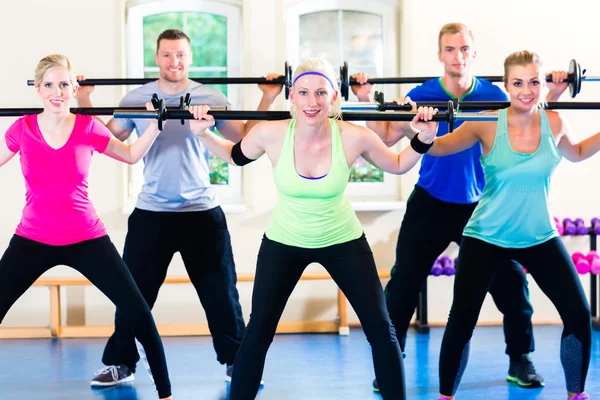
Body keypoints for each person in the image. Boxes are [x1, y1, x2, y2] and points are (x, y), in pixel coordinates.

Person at [185, 57, 439, 400]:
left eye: (321, 92)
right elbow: (234, 156)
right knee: (258, 331)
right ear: (292, 96)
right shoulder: (270, 133)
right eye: (304, 92)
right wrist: (203, 134)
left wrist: (423, 139)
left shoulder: (353, 136)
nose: (312, 101)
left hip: (341, 238)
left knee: (382, 329)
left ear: (333, 97)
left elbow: (396, 164)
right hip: (285, 240)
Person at [351, 22, 568, 391]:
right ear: (440, 56)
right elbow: (387, 134)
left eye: (464, 49)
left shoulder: (497, 94)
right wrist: (366, 98)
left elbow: (533, 120)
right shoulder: (422, 93)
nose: (458, 56)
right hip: (431, 201)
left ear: (474, 54)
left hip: (484, 206)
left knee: (512, 284)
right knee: (403, 282)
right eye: (450, 49)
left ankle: (521, 358)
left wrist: (556, 91)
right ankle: (390, 358)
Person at [75, 29, 283, 387]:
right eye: (167, 55)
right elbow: (103, 140)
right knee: (133, 292)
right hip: (151, 213)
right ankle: (121, 363)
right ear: (157, 58)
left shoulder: (209, 97)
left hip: (201, 212)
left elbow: (244, 137)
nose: (175, 62)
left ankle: (238, 361)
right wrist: (83, 98)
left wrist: (267, 98)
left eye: (181, 55)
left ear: (190, 58)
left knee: (221, 294)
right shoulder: (136, 97)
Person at [415, 49, 594, 400]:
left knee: (578, 313)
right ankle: (445, 396)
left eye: (533, 82)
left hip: (538, 234)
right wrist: (422, 132)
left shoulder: (554, 123)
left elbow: (578, 152)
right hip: (486, 235)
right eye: (517, 83)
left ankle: (576, 394)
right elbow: (437, 148)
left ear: (543, 85)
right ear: (506, 86)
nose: (526, 90)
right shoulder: (486, 121)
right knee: (462, 319)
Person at [0, 54, 175, 400]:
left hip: (86, 237)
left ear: (74, 87)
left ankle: (166, 394)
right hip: (32, 238)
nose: (57, 92)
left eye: (64, 84)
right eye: (49, 85)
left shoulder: (87, 126)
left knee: (138, 310)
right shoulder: (22, 129)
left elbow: (129, 154)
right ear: (38, 89)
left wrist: (157, 124)